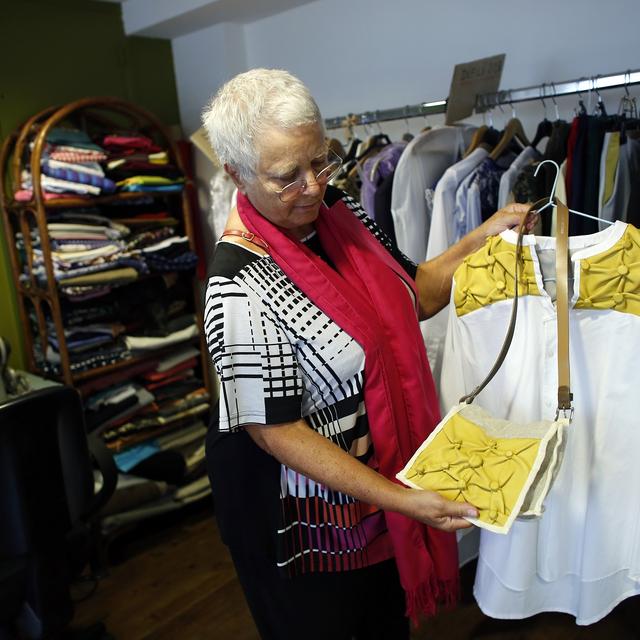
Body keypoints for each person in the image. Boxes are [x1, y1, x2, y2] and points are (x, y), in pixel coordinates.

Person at [201, 68, 533, 640]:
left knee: (383, 623)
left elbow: (417, 293)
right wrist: (405, 498)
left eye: (319, 160)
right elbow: (276, 432)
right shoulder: (238, 284)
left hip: (372, 489)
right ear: (235, 173)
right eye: (287, 176)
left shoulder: (337, 209)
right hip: (298, 519)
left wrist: (485, 235)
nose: (312, 185)